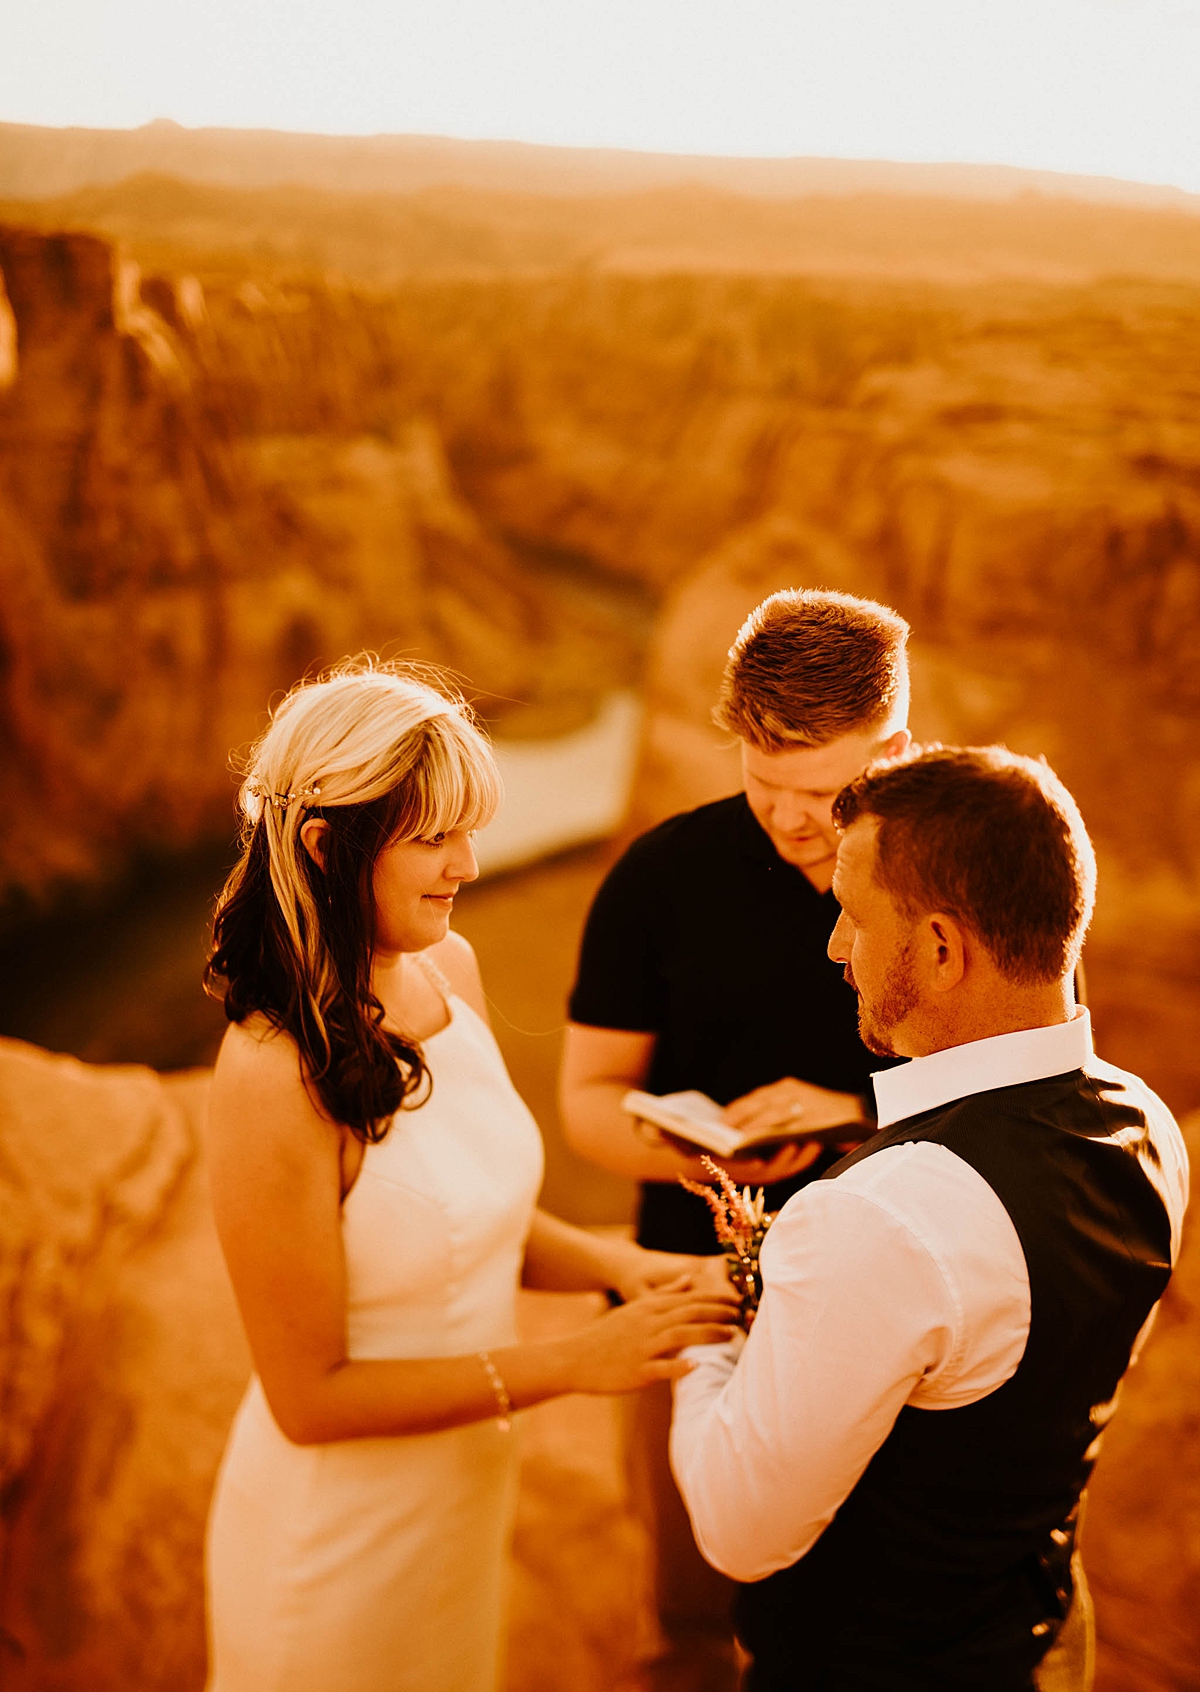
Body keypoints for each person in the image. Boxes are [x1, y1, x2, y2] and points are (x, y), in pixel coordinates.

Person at [202, 662, 736, 1692]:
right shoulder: (270, 1076)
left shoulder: (450, 971)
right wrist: (579, 1361)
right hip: (335, 1545)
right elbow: (308, 1399)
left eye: (471, 830)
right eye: (435, 838)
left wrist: (623, 1264)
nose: (470, 865)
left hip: (458, 1502)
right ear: (326, 847)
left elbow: (465, 1208)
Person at [670, 745, 1189, 1691]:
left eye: (853, 916)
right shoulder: (1149, 1128)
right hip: (1041, 1636)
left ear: (943, 949)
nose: (833, 946)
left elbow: (739, 1529)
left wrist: (710, 1335)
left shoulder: (881, 1217)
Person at [558, 589, 912, 1687]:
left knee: (885, 1614)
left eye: (823, 791)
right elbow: (587, 1098)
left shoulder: (979, 875)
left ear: (897, 746)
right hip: (692, 1295)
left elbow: (1025, 1102)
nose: (791, 819)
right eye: (764, 785)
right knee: (692, 1623)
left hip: (900, 1315)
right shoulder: (661, 879)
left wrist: (853, 1116)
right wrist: (699, 1156)